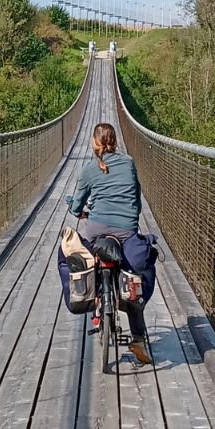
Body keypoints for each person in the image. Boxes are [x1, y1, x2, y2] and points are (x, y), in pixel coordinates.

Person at [60, 121, 154, 364]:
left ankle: (94, 297)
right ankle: (138, 338)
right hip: (127, 230)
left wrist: (78, 210)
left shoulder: (89, 169)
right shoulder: (129, 163)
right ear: (115, 142)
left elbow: (78, 205)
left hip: (96, 230)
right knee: (133, 270)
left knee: (75, 254)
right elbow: (136, 197)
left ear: (94, 143)